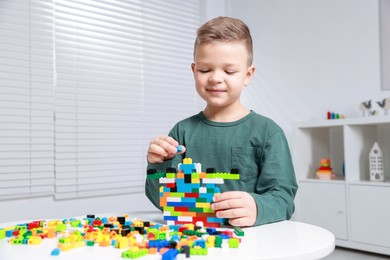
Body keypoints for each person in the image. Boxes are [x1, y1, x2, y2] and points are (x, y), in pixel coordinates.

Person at [145, 16, 297, 227]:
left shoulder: (268, 132)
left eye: (229, 71)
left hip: (250, 242)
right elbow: (162, 200)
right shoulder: (181, 132)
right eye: (205, 70)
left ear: (248, 75)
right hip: (193, 240)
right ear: (194, 71)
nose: (215, 78)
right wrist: (156, 164)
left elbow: (283, 199)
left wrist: (258, 207)